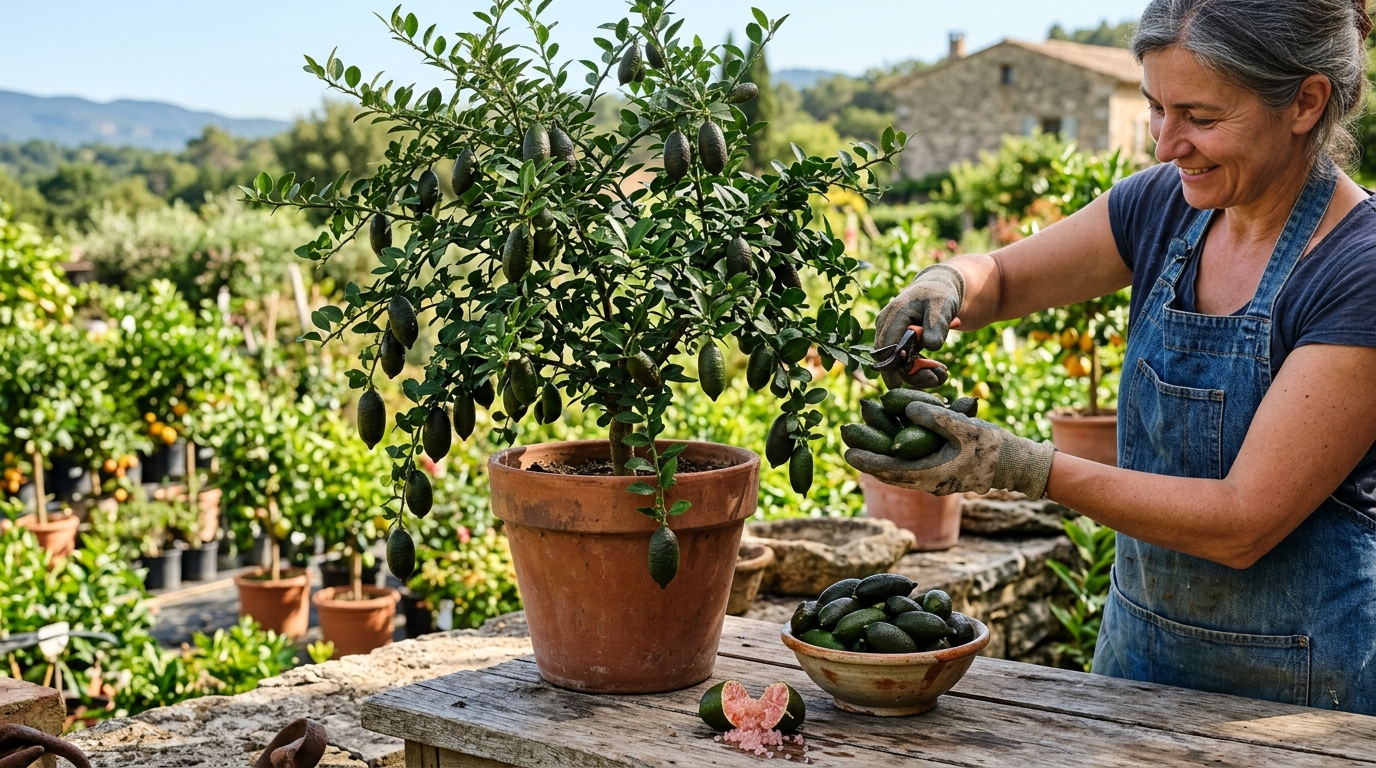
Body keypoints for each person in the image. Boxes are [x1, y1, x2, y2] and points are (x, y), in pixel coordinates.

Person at [846, 0, 1376, 713]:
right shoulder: (1164, 206)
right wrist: (946, 282)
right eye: (1157, 107)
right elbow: (1002, 277)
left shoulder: (1357, 269)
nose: (1165, 143)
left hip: (1303, 688)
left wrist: (1023, 466)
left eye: (1201, 117)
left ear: (1306, 102)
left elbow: (1244, 521)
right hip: (1137, 654)